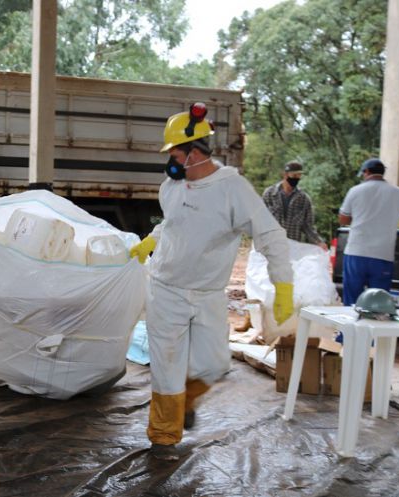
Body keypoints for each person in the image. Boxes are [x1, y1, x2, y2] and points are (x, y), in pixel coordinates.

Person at [129, 103, 294, 461]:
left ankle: (185, 400)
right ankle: (163, 437)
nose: (170, 161)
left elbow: (271, 236)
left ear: (194, 153)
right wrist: (152, 241)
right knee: (167, 364)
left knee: (215, 364)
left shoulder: (233, 190)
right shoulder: (171, 187)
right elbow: (173, 224)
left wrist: (283, 285)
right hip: (166, 288)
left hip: (206, 293)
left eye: (174, 153)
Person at [338, 158, 399, 305]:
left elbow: (343, 219)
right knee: (378, 304)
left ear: (366, 172)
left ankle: (349, 328)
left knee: (351, 301)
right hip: (382, 256)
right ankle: (374, 327)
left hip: (356, 253)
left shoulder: (355, 191)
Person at [262, 161, 327, 250]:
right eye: (294, 175)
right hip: (271, 246)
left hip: (293, 248)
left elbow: (308, 226)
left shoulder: (304, 199)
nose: (297, 178)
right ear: (285, 175)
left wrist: (319, 242)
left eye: (299, 176)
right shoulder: (269, 194)